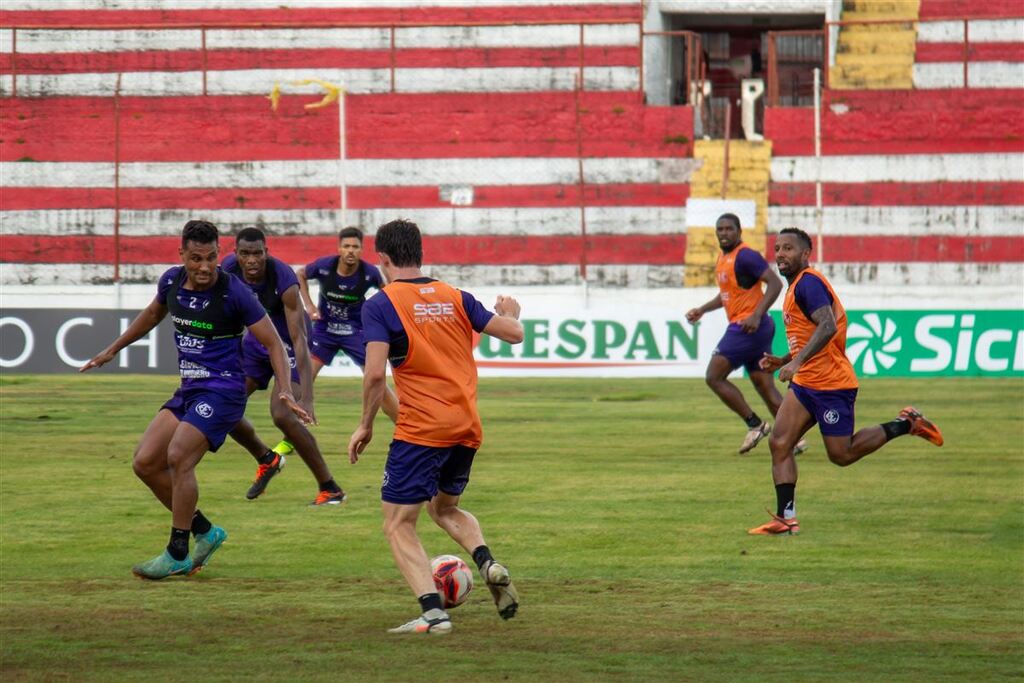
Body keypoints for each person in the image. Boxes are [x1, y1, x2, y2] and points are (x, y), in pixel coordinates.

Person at [80, 220, 309, 579]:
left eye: (211, 258)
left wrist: (284, 387)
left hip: (224, 390)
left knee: (177, 455)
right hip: (189, 390)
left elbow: (274, 343)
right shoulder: (171, 281)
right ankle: (205, 531)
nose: (204, 267)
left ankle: (177, 552)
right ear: (182, 255)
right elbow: (153, 314)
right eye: (196, 258)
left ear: (220, 254)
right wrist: (112, 349)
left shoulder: (234, 293)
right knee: (145, 463)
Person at [347, 219, 524, 635]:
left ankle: (433, 614)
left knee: (397, 523)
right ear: (420, 254)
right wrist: (511, 314)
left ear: (382, 260)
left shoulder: (380, 304)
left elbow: (375, 376)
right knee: (443, 507)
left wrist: (365, 425)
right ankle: (486, 561)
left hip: (423, 431)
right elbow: (513, 333)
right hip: (466, 426)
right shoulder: (454, 295)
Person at [750, 228, 944, 535]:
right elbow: (809, 334)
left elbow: (827, 326)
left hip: (831, 384)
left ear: (805, 254)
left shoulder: (809, 283)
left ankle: (906, 423)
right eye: (777, 248)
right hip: (805, 383)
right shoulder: (795, 288)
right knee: (779, 443)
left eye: (788, 248)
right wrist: (784, 360)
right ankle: (786, 519)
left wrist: (797, 362)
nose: (780, 254)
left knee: (842, 454)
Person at [222, 227, 346, 505]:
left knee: (282, 415)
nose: (252, 260)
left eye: (257, 253)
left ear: (267, 252)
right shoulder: (227, 270)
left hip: (289, 343)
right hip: (256, 342)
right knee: (222, 403)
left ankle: (330, 487)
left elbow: (300, 340)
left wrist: (308, 399)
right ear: (236, 254)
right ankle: (267, 458)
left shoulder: (284, 279)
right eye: (246, 254)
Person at [686, 213, 806, 455]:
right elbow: (728, 294)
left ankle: (755, 425)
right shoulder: (724, 258)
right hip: (752, 326)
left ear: (739, 232)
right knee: (764, 385)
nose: (724, 233)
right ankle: (793, 438)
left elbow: (775, 283)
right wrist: (703, 309)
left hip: (748, 327)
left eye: (729, 229)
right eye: (720, 229)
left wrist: (757, 314)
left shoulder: (746, 255)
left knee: (714, 376)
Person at [295, 226, 399, 421]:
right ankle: (293, 434)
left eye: (355, 246)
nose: (351, 250)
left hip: (356, 331)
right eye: (346, 246)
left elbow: (389, 292)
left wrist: (380, 317)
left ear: (361, 250)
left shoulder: (369, 273)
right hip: (325, 330)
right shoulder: (324, 266)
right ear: (339, 249)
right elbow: (300, 274)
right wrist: (308, 305)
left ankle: (406, 428)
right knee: (303, 380)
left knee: (377, 383)